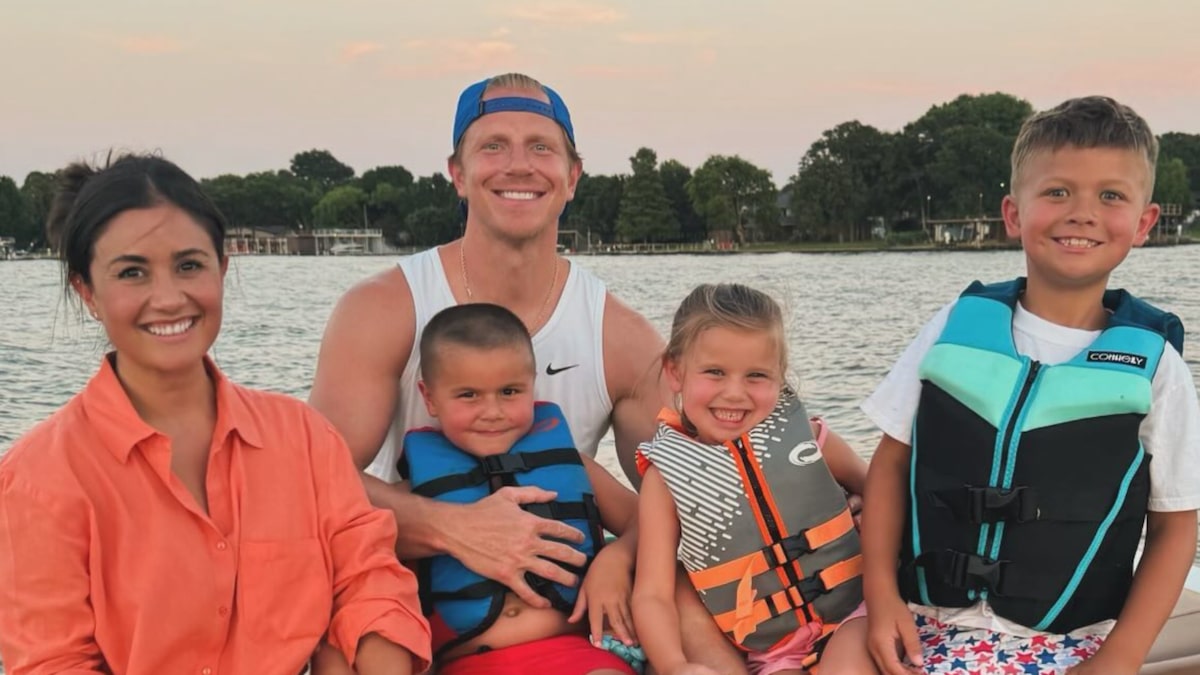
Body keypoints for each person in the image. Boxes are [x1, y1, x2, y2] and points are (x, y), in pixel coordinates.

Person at [309, 73, 743, 671]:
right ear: (458, 174)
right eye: (493, 146)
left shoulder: (617, 335)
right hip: (418, 604)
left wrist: (618, 558)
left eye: (541, 147)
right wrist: (450, 526)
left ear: (573, 176)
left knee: (687, 596)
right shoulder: (383, 308)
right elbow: (313, 483)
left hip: (557, 624)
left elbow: (689, 493)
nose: (519, 165)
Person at [0, 154, 431, 675]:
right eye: (132, 272)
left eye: (189, 265)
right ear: (87, 292)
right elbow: (53, 662)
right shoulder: (39, 479)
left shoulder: (303, 438)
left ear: (222, 269)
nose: (168, 298)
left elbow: (371, 584)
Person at [860, 96, 1200, 675]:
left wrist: (1120, 658)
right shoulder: (953, 328)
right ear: (1014, 214)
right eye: (1058, 192)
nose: (1082, 213)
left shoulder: (1158, 366)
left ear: (1145, 223)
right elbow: (891, 465)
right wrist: (880, 597)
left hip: (1068, 643)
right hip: (922, 620)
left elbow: (1174, 526)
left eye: (1110, 196)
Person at [323, 302, 641, 675]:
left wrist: (616, 559)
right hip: (469, 665)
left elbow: (647, 520)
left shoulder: (574, 466)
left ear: (532, 386)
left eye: (509, 391)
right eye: (468, 395)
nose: (492, 411)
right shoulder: (416, 496)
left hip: (579, 655)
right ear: (430, 398)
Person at [632, 283, 877, 675]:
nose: (734, 393)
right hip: (773, 652)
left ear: (780, 377)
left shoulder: (809, 438)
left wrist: (867, 511)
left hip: (854, 614)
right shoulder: (665, 482)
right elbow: (653, 595)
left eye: (757, 376)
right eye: (715, 372)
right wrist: (674, 665)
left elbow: (882, 493)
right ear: (675, 371)